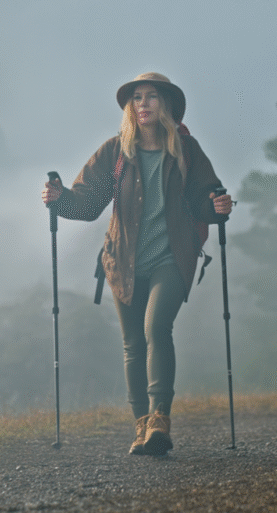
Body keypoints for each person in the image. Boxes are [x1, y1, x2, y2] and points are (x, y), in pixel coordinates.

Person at [41, 72, 233, 456]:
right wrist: (58, 198)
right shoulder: (115, 152)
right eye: (137, 98)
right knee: (132, 345)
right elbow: (87, 203)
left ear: (167, 106)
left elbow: (203, 201)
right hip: (123, 261)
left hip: (171, 257)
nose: (143, 104)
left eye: (151, 97)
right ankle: (142, 427)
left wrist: (218, 207)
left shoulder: (187, 151)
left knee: (156, 328)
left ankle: (160, 418)